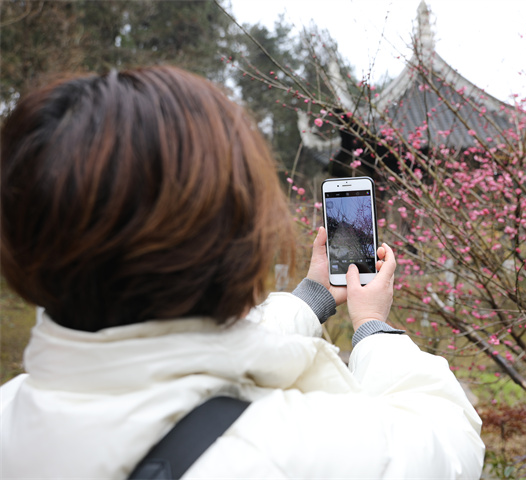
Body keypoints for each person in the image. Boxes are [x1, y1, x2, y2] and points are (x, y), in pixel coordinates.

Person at [0, 66, 485, 479]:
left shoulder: (12, 414)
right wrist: (373, 328)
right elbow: (448, 437)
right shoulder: (295, 447)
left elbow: (171, 351)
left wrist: (314, 296)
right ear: (232, 234)